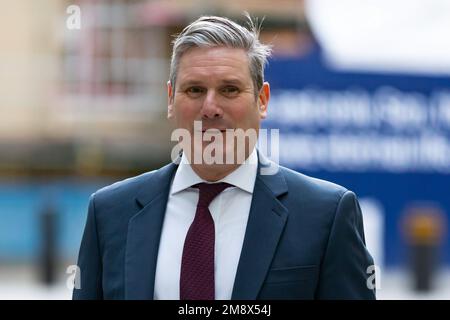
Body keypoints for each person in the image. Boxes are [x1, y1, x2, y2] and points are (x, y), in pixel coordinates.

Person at [73, 14, 376, 300]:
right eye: (194, 90)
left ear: (262, 100)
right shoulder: (110, 213)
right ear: (170, 100)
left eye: (229, 89)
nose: (210, 107)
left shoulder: (326, 215)